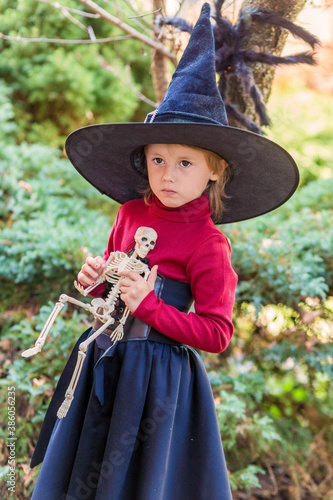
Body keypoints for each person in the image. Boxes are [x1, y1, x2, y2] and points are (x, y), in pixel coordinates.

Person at [29, 4, 299, 499]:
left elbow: (217, 333)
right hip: (103, 360)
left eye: (184, 163)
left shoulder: (209, 245)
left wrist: (148, 306)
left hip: (155, 382)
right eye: (157, 159)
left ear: (215, 170)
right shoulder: (131, 213)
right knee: (84, 475)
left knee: (135, 482)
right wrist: (95, 277)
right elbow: (109, 284)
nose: (168, 175)